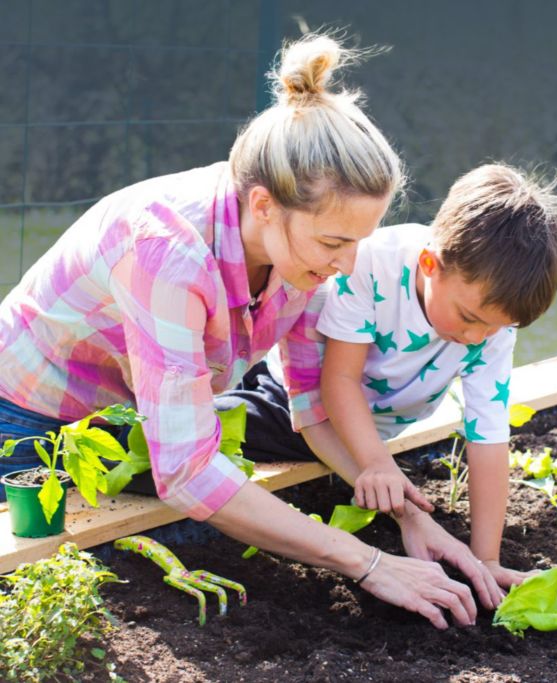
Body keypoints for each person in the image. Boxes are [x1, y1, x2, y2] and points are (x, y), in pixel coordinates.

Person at [0, 33, 495, 630]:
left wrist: (412, 519)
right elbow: (184, 471)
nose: (347, 265)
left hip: (120, 424)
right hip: (30, 421)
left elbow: (309, 404)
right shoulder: (167, 252)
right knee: (69, 587)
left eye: (359, 242)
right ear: (262, 206)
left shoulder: (301, 256)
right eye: (335, 242)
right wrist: (367, 563)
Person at [231, 163, 557, 590]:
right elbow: (337, 381)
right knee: (211, 433)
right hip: (293, 403)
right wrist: (376, 465)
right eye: (468, 318)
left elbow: (488, 433)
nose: (476, 339)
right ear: (430, 264)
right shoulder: (374, 264)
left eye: (495, 327)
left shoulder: (489, 323)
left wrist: (487, 558)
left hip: (370, 428)